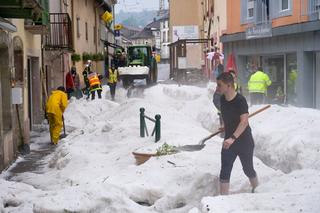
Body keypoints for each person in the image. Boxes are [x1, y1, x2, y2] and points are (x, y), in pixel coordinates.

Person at [216, 72, 258, 195]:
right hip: (229, 142)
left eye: (219, 85)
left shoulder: (240, 100)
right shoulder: (222, 99)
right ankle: (223, 200)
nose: (217, 88)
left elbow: (244, 122)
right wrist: (225, 126)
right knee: (225, 170)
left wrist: (232, 138)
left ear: (229, 85)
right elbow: (228, 116)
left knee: (248, 169)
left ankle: (257, 190)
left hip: (244, 141)